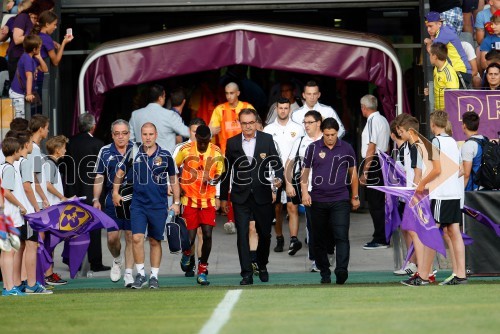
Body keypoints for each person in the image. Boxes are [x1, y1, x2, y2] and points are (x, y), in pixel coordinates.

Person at [113, 122, 181, 289]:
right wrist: (115, 192)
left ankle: (154, 277)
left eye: (151, 134)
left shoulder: (165, 155)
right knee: (136, 238)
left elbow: (173, 180)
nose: (148, 137)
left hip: (158, 205)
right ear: (140, 135)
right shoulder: (133, 152)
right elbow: (120, 173)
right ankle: (141, 274)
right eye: (144, 134)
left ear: (156, 135)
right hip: (138, 204)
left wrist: (177, 203)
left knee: (154, 240)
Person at [402, 110, 466, 286]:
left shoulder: (436, 142)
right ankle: (460, 274)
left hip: (441, 194)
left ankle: (423, 275)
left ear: (432, 124)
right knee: (454, 232)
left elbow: (437, 169)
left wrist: (422, 184)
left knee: (429, 233)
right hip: (454, 193)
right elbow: (460, 170)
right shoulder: (453, 142)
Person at [220, 108, 283, 285]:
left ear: (256, 122)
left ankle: (262, 265)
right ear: (239, 123)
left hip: (263, 194)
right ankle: (246, 273)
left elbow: (276, 163)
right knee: (242, 234)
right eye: (244, 123)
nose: (248, 126)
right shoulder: (232, 143)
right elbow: (226, 171)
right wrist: (223, 197)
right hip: (240, 196)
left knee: (265, 234)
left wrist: (277, 180)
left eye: (251, 122)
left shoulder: (267, 139)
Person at [301, 117, 360, 284]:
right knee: (318, 239)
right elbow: (304, 174)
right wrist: (305, 193)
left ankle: (341, 270)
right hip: (317, 200)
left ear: (337, 133)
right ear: (322, 133)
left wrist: (355, 196)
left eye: (333, 134)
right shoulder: (313, 148)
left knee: (341, 236)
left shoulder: (346, 148)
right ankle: (324, 272)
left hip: (340, 199)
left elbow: (353, 174)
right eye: (326, 134)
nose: (330, 138)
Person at [175, 125, 224, 285]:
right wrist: (178, 186)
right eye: (200, 141)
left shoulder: (216, 152)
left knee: (207, 235)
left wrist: (212, 181)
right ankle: (187, 253)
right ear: (196, 138)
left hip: (208, 200)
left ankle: (202, 270)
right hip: (189, 200)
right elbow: (173, 167)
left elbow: (219, 174)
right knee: (189, 239)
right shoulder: (185, 150)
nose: (202, 145)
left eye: (205, 142)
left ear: (209, 139)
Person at [65, 113, 110, 273]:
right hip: (92, 191)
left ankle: (72, 260)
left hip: (73, 190)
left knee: (74, 225)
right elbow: (101, 171)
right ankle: (95, 262)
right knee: (94, 228)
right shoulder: (98, 144)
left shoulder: (70, 143)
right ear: (93, 126)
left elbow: (66, 168)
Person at [93, 120, 135, 287]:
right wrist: (96, 199)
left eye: (124, 133)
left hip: (133, 200)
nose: (121, 137)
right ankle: (117, 260)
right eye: (117, 133)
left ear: (129, 134)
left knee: (131, 236)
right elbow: (99, 176)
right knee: (112, 238)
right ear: (112, 135)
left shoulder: (137, 149)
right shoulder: (105, 151)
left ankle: (129, 274)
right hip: (112, 200)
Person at [209, 82, 255, 234]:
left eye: (232, 93)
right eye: (227, 93)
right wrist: (212, 130)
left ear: (238, 93)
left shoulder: (247, 107)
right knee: (228, 186)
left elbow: (258, 126)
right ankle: (230, 219)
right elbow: (211, 129)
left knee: (246, 184)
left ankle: (246, 216)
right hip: (226, 154)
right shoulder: (220, 110)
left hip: (246, 153)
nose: (229, 96)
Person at [12, 130, 52, 294]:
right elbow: (28, 187)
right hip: (27, 211)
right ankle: (32, 284)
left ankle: (16, 283)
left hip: (15, 211)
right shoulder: (26, 162)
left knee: (19, 247)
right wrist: (36, 207)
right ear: (26, 144)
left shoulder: (12, 163)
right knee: (31, 245)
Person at [263, 97, 304, 254]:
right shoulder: (268, 130)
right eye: (280, 108)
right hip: (274, 175)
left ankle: (293, 240)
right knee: (277, 209)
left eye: (286, 108)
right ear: (276, 109)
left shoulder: (298, 129)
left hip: (293, 173)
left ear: (290, 109)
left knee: (292, 206)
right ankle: (279, 238)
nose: (283, 111)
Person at [285, 110, 323, 271]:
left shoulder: (327, 138)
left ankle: (328, 253)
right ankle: (316, 260)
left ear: (318, 123)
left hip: (328, 189)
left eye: (310, 122)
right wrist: (288, 183)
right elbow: (289, 163)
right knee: (312, 225)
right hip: (308, 189)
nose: (306, 126)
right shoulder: (300, 141)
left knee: (328, 225)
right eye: (305, 123)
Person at [359, 94, 390, 250]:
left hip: (374, 162)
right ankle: (381, 234)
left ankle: (381, 238)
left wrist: (365, 172)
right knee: (379, 201)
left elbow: (371, 147)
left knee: (375, 203)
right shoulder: (383, 120)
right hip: (383, 159)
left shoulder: (372, 121)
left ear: (363, 108)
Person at [31, 10, 74, 112]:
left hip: (32, 77)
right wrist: (64, 43)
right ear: (47, 24)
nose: (55, 27)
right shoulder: (46, 39)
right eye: (54, 25)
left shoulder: (37, 35)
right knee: (38, 111)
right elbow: (55, 62)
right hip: (39, 79)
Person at [129, 84, 190, 154]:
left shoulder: (135, 115)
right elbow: (188, 133)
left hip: (142, 161)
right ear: (160, 98)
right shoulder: (169, 115)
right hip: (165, 162)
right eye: (164, 96)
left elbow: (130, 140)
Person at [0, 137, 26, 296]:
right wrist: (21, 205)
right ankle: (9, 288)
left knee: (5, 252)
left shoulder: (2, 167)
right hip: (9, 216)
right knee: (9, 252)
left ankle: (7, 287)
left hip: (4, 215)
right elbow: (7, 192)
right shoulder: (9, 168)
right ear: (16, 151)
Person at [424, 11, 472, 88]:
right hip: (455, 72)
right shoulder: (444, 30)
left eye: (430, 26)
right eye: (427, 27)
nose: (428, 30)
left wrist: (429, 42)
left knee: (453, 99)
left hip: (459, 72)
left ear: (439, 24)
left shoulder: (444, 33)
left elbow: (432, 53)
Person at [8, 34, 47, 118]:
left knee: (25, 116)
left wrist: (40, 58)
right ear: (34, 49)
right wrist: (29, 94)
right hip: (19, 94)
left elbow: (45, 69)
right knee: (21, 119)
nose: (40, 50)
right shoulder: (27, 60)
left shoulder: (30, 58)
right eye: (39, 48)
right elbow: (29, 76)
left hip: (21, 93)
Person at [429, 42, 460, 110]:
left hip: (446, 114)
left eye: (430, 55)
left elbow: (453, 97)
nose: (429, 57)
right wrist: (430, 90)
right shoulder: (436, 69)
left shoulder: (449, 73)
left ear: (434, 56)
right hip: (437, 112)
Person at [461, 111, 486, 191]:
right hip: (486, 188)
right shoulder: (484, 140)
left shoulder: (468, 145)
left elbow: (466, 174)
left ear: (464, 125)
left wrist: (460, 191)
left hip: (474, 191)